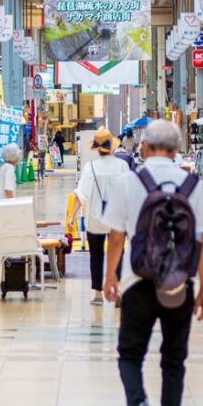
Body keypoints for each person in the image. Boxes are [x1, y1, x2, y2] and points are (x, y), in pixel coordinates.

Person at [102, 119, 203, 406]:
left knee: (131, 354)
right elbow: (202, 242)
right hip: (179, 283)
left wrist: (110, 277)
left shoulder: (129, 182)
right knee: (174, 358)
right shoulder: (193, 185)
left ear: (145, 147)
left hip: (138, 281)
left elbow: (116, 236)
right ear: (177, 149)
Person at [73, 128, 130, 307]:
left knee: (96, 255)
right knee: (119, 254)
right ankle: (118, 289)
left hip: (95, 219)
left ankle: (97, 294)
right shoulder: (122, 166)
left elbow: (80, 194)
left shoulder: (90, 168)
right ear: (112, 147)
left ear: (96, 148)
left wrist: (71, 216)